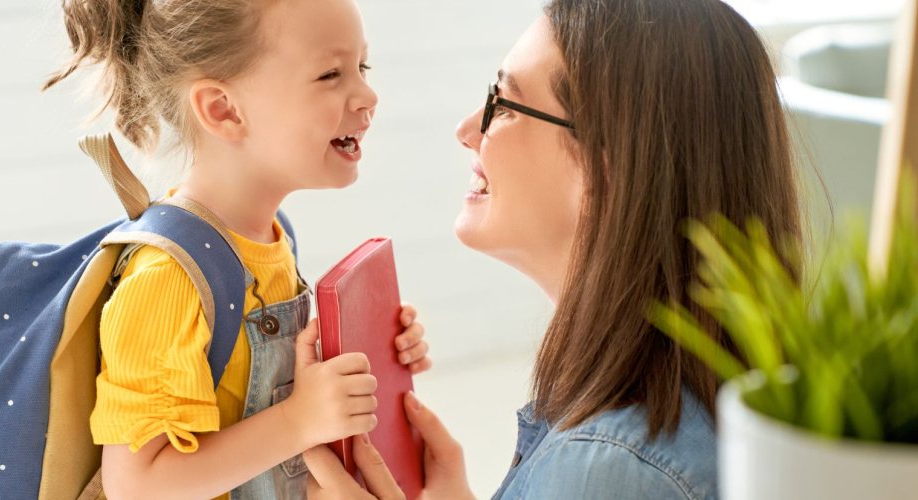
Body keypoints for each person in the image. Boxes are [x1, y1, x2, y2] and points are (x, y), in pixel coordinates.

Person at [305, 0, 803, 499]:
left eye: (502, 102)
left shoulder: (607, 470)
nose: (466, 130)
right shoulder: (668, 415)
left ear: (606, 170)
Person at [42, 0, 433, 498]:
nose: (367, 95)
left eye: (363, 66)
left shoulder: (270, 235)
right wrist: (299, 420)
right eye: (331, 74)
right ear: (223, 109)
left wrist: (370, 359)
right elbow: (138, 486)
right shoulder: (167, 276)